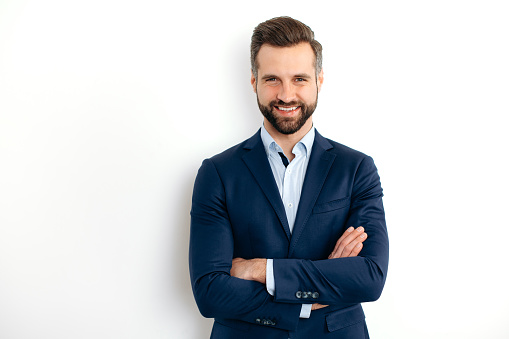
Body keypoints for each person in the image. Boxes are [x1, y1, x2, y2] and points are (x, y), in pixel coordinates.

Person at [189, 16, 389, 339]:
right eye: (272, 80)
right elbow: (210, 292)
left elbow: (370, 276)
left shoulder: (357, 170)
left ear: (319, 80)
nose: (286, 95)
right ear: (253, 82)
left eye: (299, 79)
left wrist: (258, 269)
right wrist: (318, 291)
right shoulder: (217, 174)